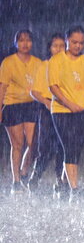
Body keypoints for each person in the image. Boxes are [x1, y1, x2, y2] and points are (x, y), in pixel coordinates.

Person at [48, 26, 84, 200]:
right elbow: (53, 87)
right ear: (67, 40)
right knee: (69, 145)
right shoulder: (56, 61)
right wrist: (69, 104)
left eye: (81, 43)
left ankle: (63, 182)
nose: (77, 46)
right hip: (62, 110)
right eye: (74, 42)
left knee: (78, 146)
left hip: (83, 111)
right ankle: (74, 188)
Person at [0, 29, 43, 194]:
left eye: (28, 40)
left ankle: (24, 171)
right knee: (17, 144)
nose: (25, 44)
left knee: (33, 144)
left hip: (32, 105)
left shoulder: (38, 63)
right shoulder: (8, 62)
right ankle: (16, 180)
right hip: (13, 105)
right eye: (21, 40)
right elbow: (2, 87)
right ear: (16, 43)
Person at [28, 33, 67, 192]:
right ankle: (35, 177)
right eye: (55, 46)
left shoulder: (70, 65)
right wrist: (46, 102)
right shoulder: (44, 65)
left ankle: (60, 180)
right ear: (49, 48)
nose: (58, 49)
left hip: (65, 110)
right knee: (45, 147)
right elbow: (34, 91)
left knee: (63, 147)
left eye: (62, 46)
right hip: (47, 110)